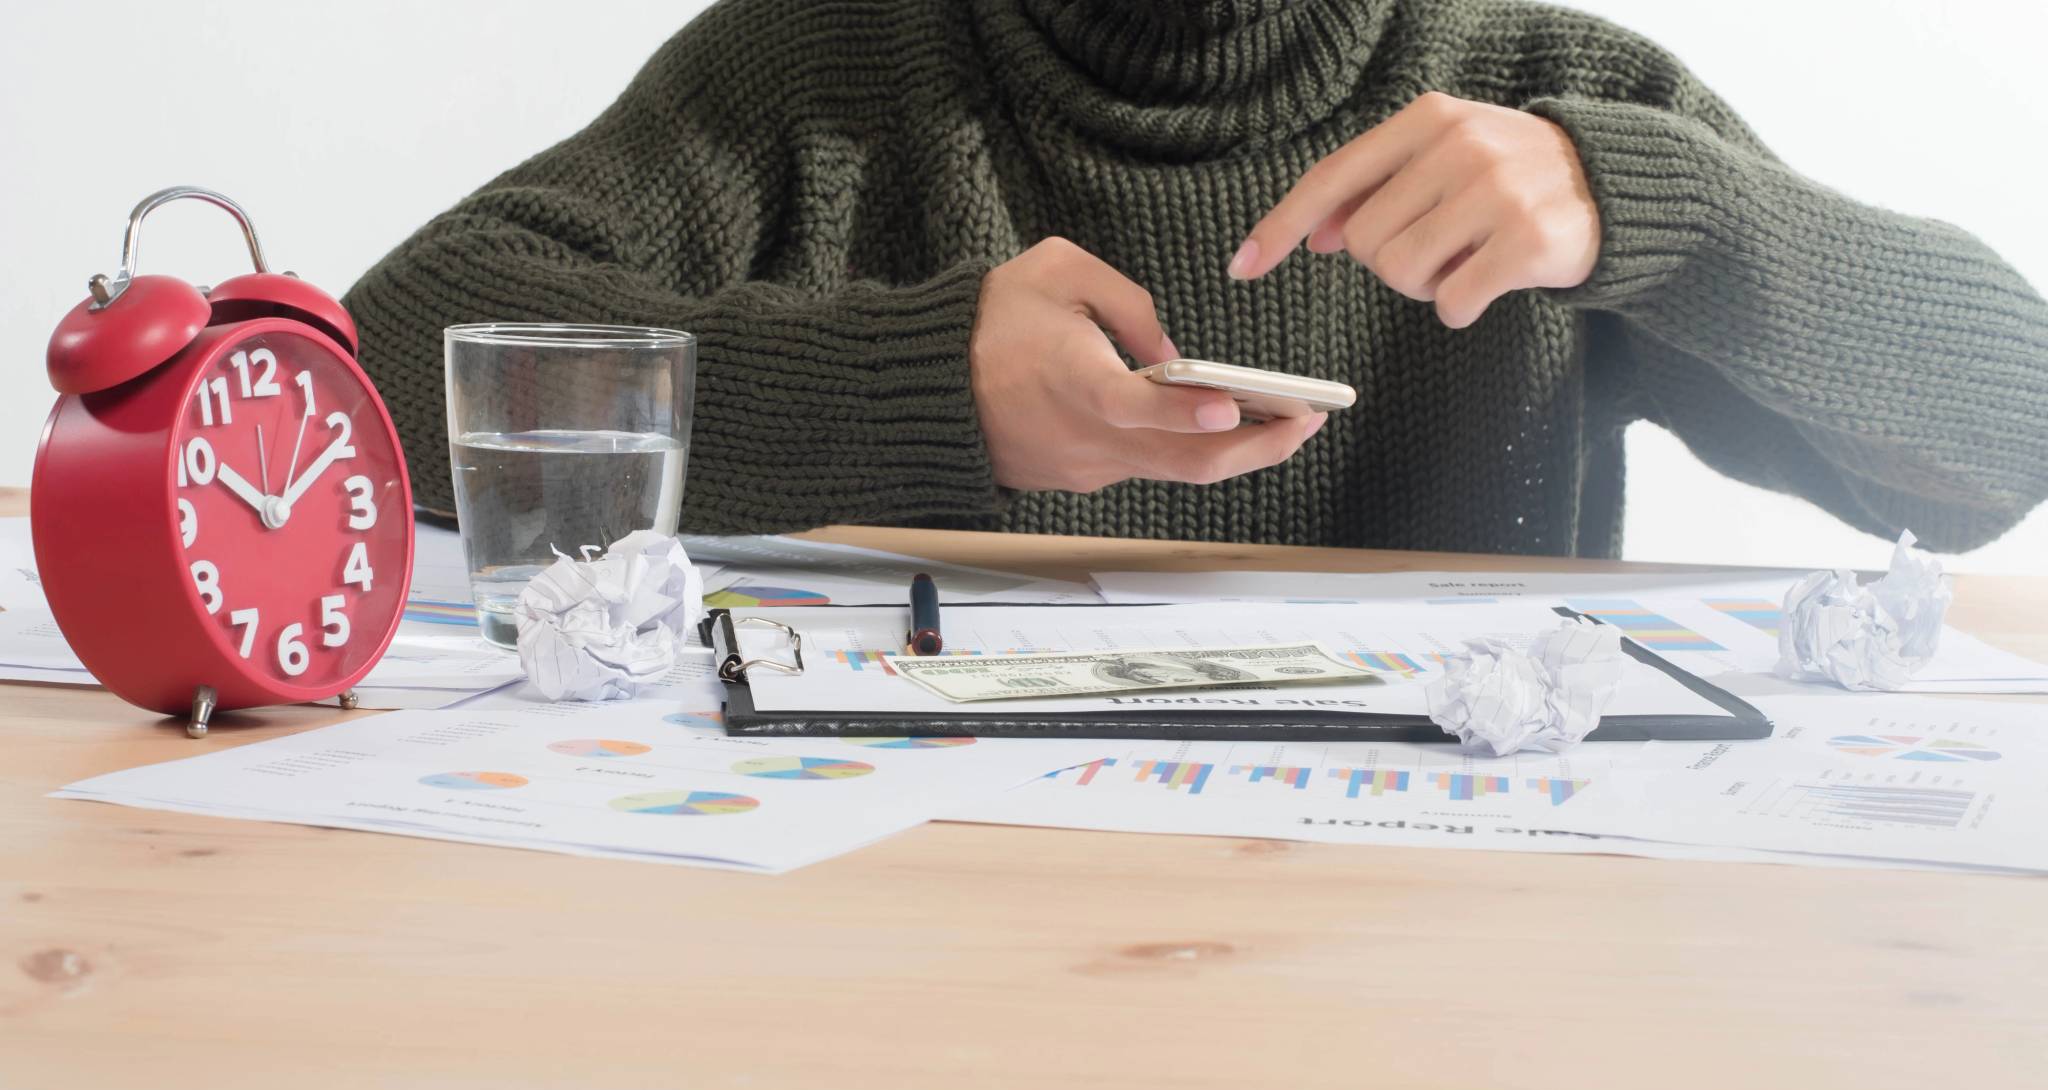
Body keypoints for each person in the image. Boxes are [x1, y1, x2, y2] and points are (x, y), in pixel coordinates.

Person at [345, 0, 2048, 556]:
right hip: (900, 961)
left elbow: (2009, 439)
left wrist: (1667, 216)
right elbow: (384, 369)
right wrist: (916, 388)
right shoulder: (824, 67)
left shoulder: (1540, 98)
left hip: (1444, 980)